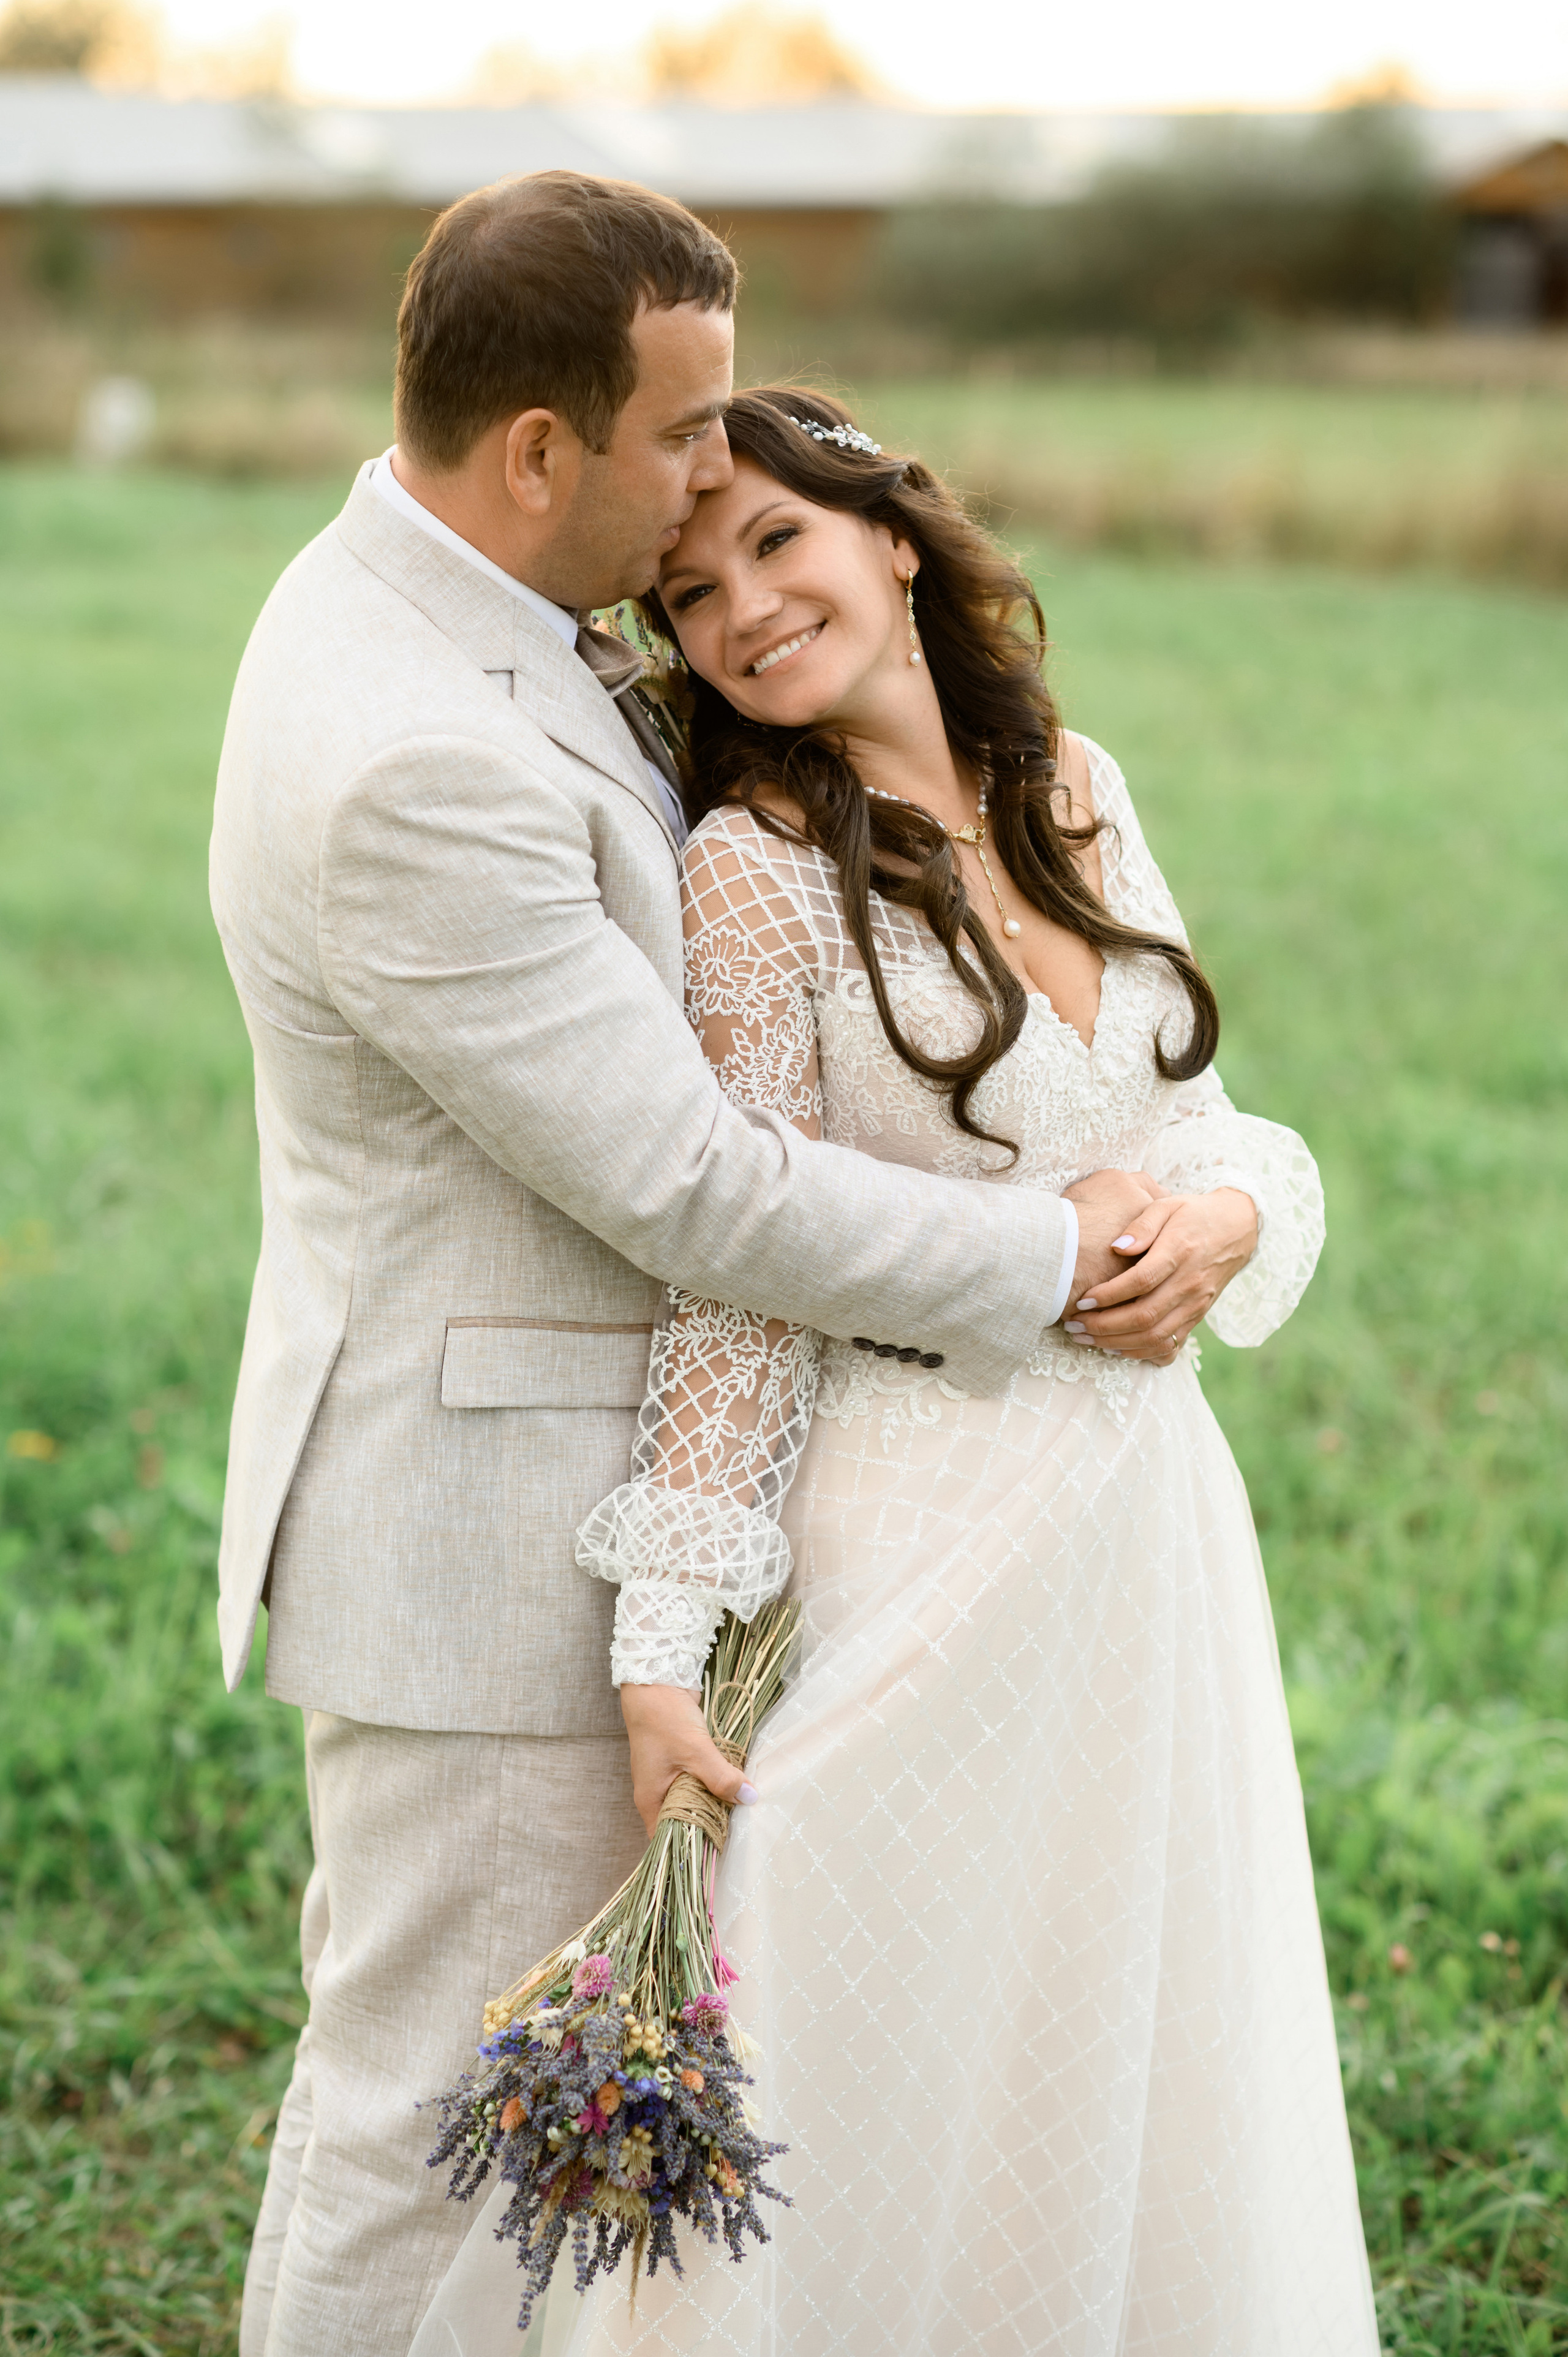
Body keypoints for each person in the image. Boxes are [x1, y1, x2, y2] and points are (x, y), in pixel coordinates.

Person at [209, 178, 1151, 2357]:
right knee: (427, 2123)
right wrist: (1051, 1254)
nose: (718, 472)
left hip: (601, 1482)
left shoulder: (473, 622)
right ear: (539, 451)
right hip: (485, 1520)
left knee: (531, 2126)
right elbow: (698, 1188)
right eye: (684, 433)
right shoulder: (416, 749)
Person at [415, 390, 1376, 2355]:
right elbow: (738, 1265)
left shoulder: (1076, 786)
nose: (746, 610)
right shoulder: (756, 875)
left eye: (781, 543)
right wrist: (663, 1641)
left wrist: (1237, 1220)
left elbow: (1201, 1122)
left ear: (896, 538)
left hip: (1142, 1538)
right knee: (868, 2027)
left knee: (1119, 2023)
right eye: (690, 593)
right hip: (918, 1543)